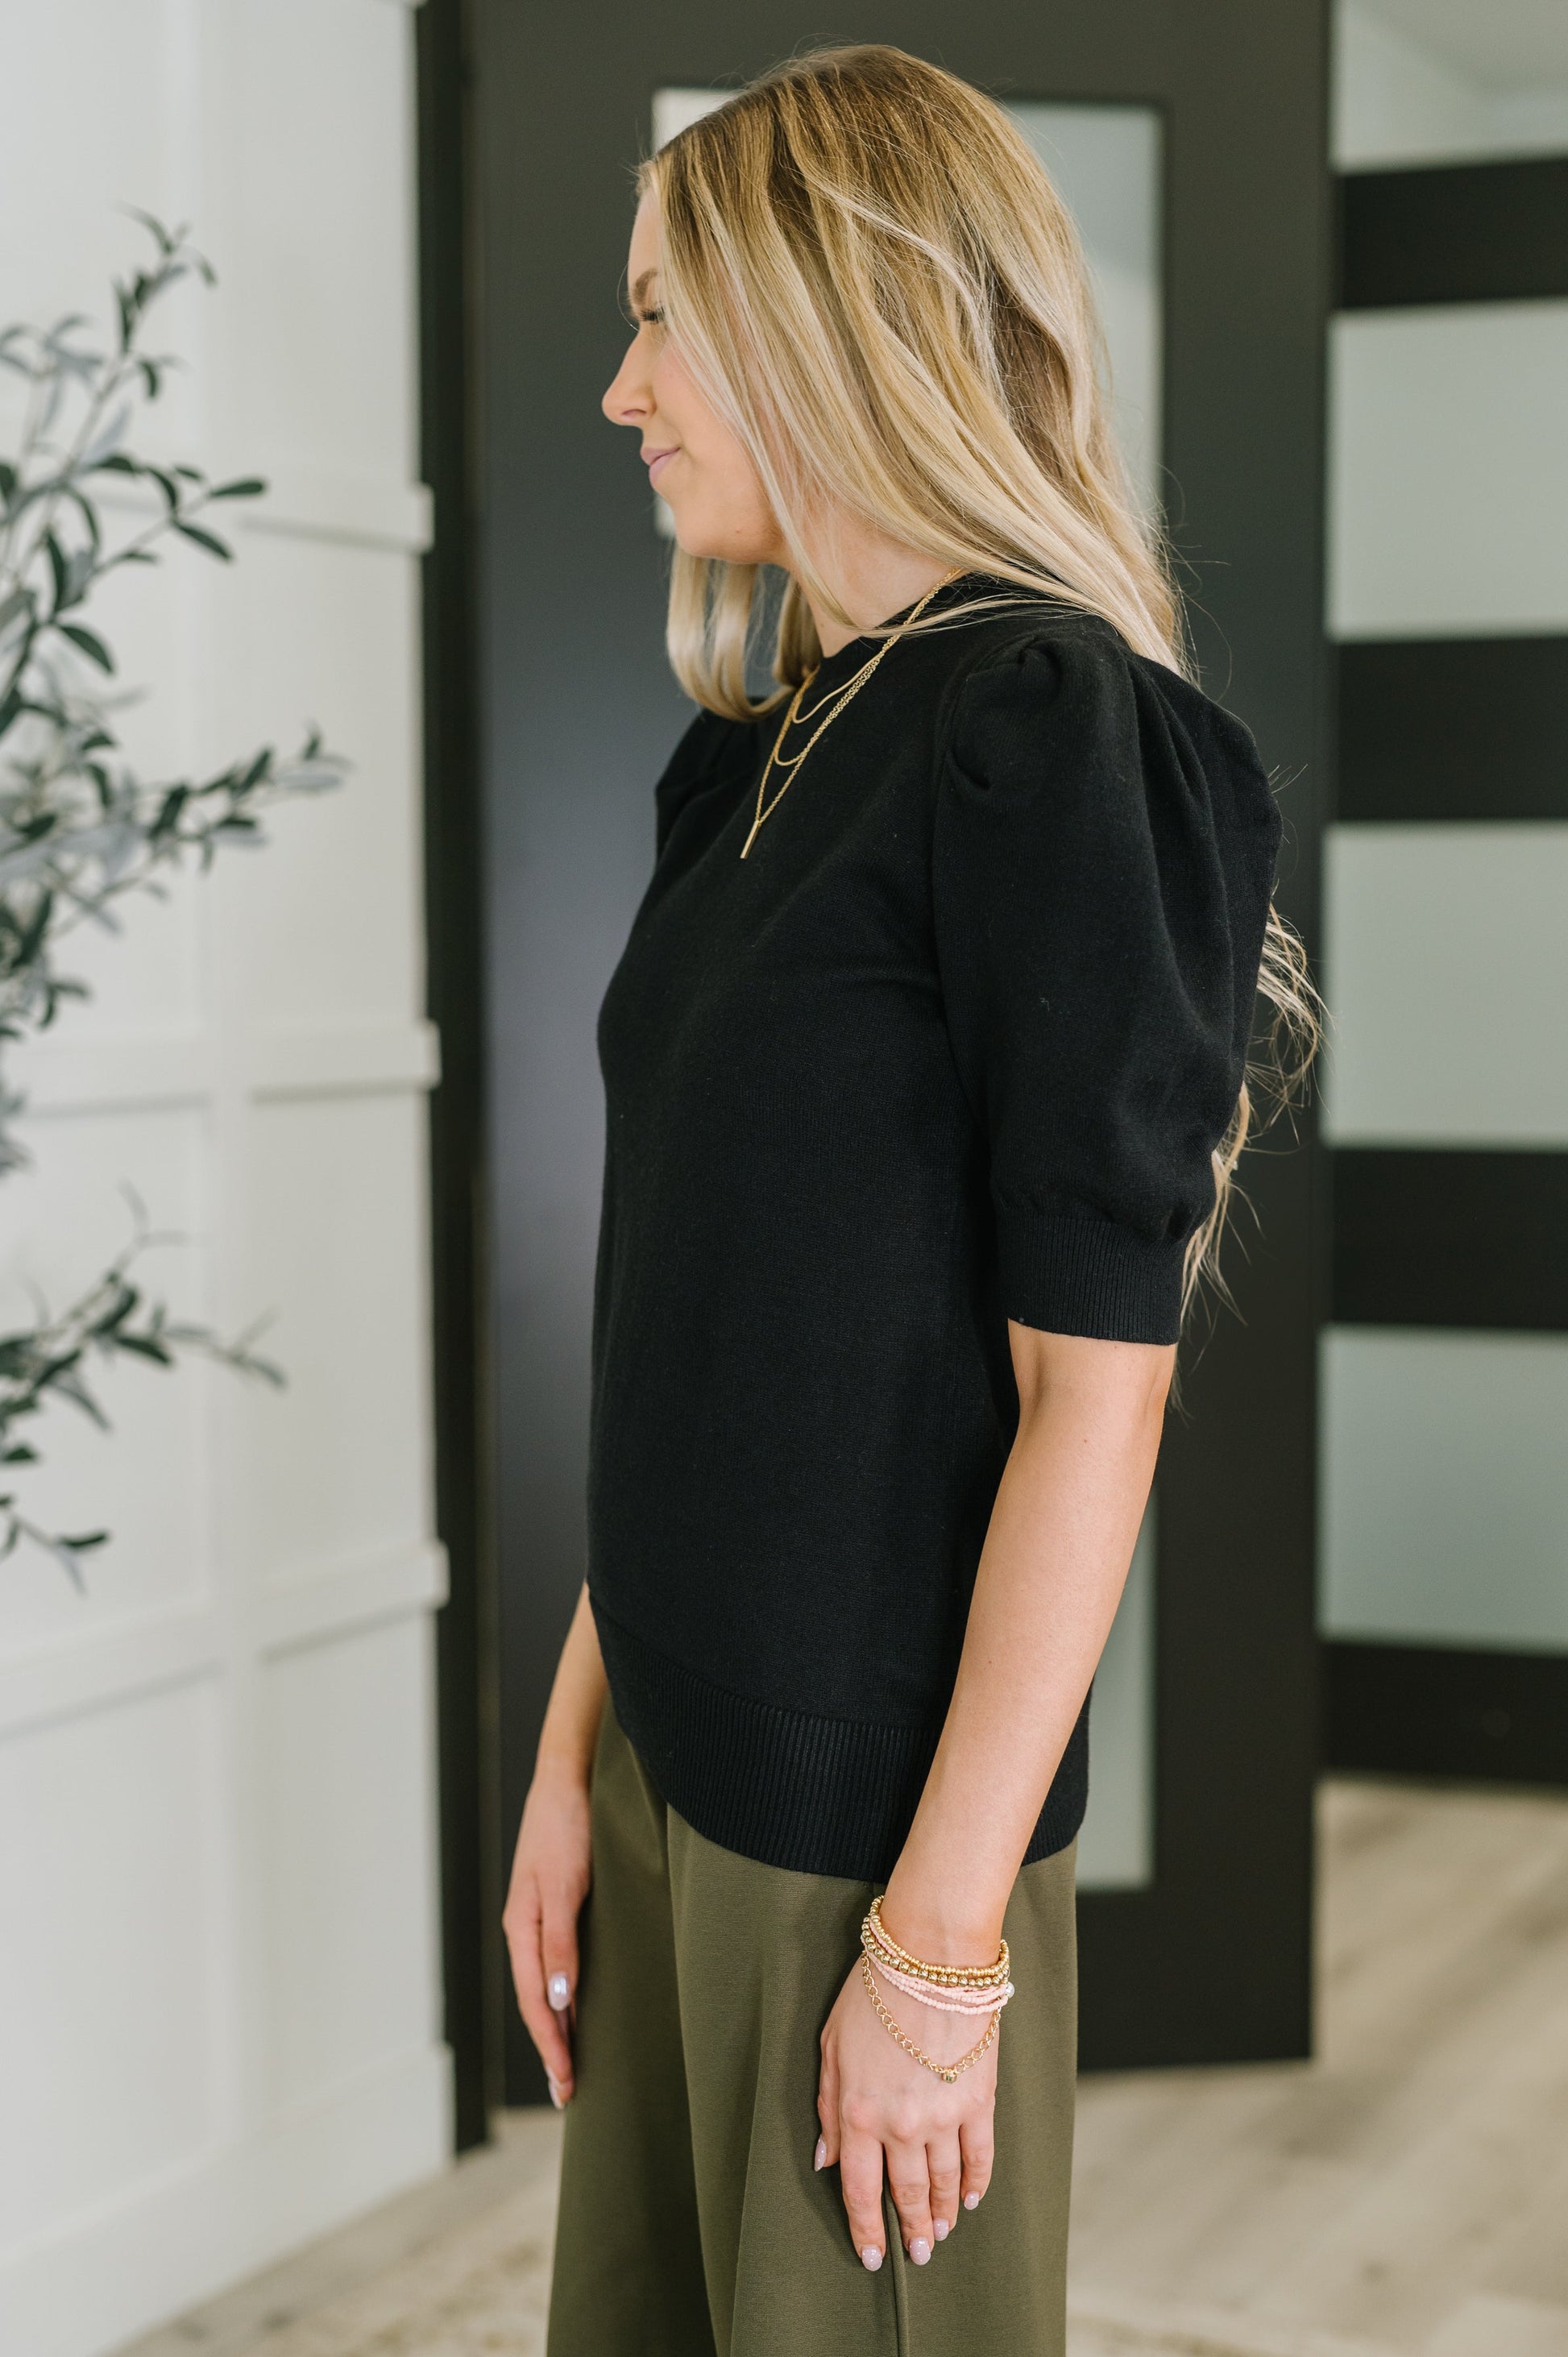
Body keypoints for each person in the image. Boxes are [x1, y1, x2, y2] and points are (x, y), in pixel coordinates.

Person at [504, 43, 1313, 2357]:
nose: (621, 391)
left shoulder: (1046, 728)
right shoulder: (754, 758)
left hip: (862, 1834)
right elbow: (695, 1314)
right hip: (667, 1763)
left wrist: (936, 1953)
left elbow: (1094, 1407)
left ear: (821, 321)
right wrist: (572, 1759)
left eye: (659, 320)